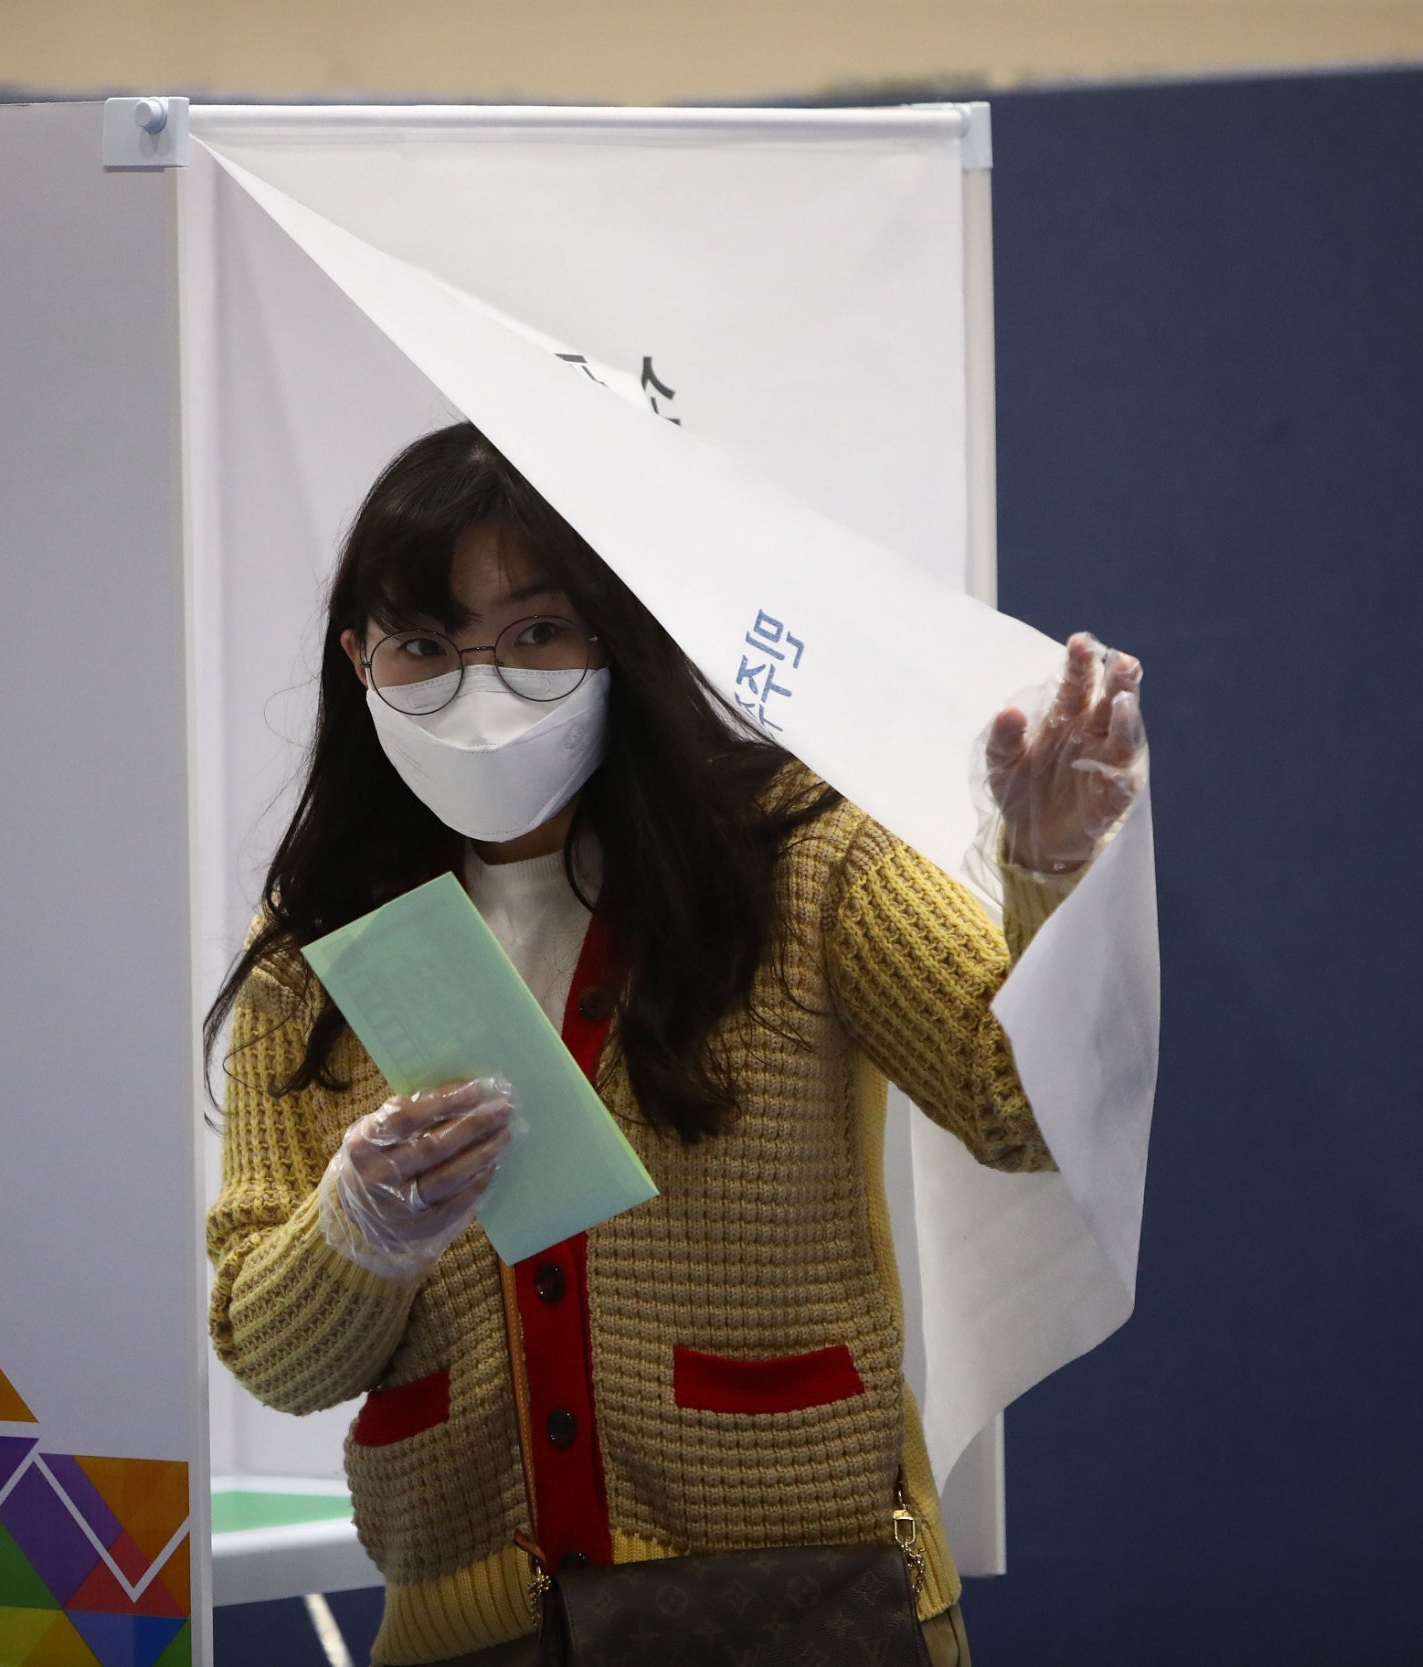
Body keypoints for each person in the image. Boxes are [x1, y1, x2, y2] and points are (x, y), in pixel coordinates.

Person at [205, 423, 1145, 1666]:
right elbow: (270, 1352)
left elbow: (1014, 1108)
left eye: (534, 633)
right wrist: (354, 1231)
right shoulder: (322, 940)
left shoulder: (799, 854)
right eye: (424, 646)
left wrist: (1046, 876)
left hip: (799, 1607)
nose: (479, 691)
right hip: (471, 1629)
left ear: (614, 635)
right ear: (356, 660)